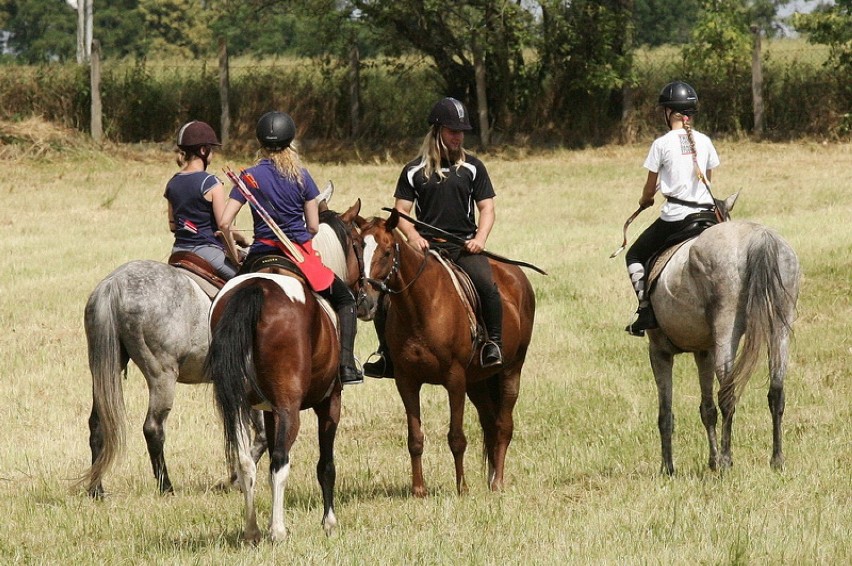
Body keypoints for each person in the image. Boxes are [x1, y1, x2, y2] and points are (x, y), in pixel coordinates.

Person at [363, 96, 503, 379]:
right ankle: (387, 354)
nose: (458, 137)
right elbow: (401, 211)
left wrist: (480, 238)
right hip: (425, 249)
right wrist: (413, 236)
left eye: (461, 131)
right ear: (438, 131)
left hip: (463, 245)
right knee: (388, 296)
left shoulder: (473, 167)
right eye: (453, 131)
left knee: (487, 286)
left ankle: (493, 345)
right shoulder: (413, 170)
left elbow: (487, 207)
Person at [219, 111, 363, 385]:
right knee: (345, 300)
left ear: (260, 143)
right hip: (298, 255)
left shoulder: (248, 177)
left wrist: (232, 252)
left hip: (260, 255)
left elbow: (225, 222)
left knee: (227, 303)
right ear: (290, 142)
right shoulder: (302, 177)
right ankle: (346, 366)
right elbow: (312, 226)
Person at [624, 81, 721, 336]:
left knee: (634, 255)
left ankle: (645, 310)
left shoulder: (661, 144)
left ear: (669, 112)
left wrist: (645, 201)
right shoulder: (706, 141)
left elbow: (649, 191)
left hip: (678, 218)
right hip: (708, 215)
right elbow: (708, 179)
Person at [164, 120, 239, 280]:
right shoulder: (212, 183)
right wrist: (235, 256)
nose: (212, 155)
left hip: (178, 251)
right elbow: (223, 228)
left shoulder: (172, 182)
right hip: (208, 253)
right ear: (203, 151)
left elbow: (173, 226)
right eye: (211, 150)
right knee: (246, 282)